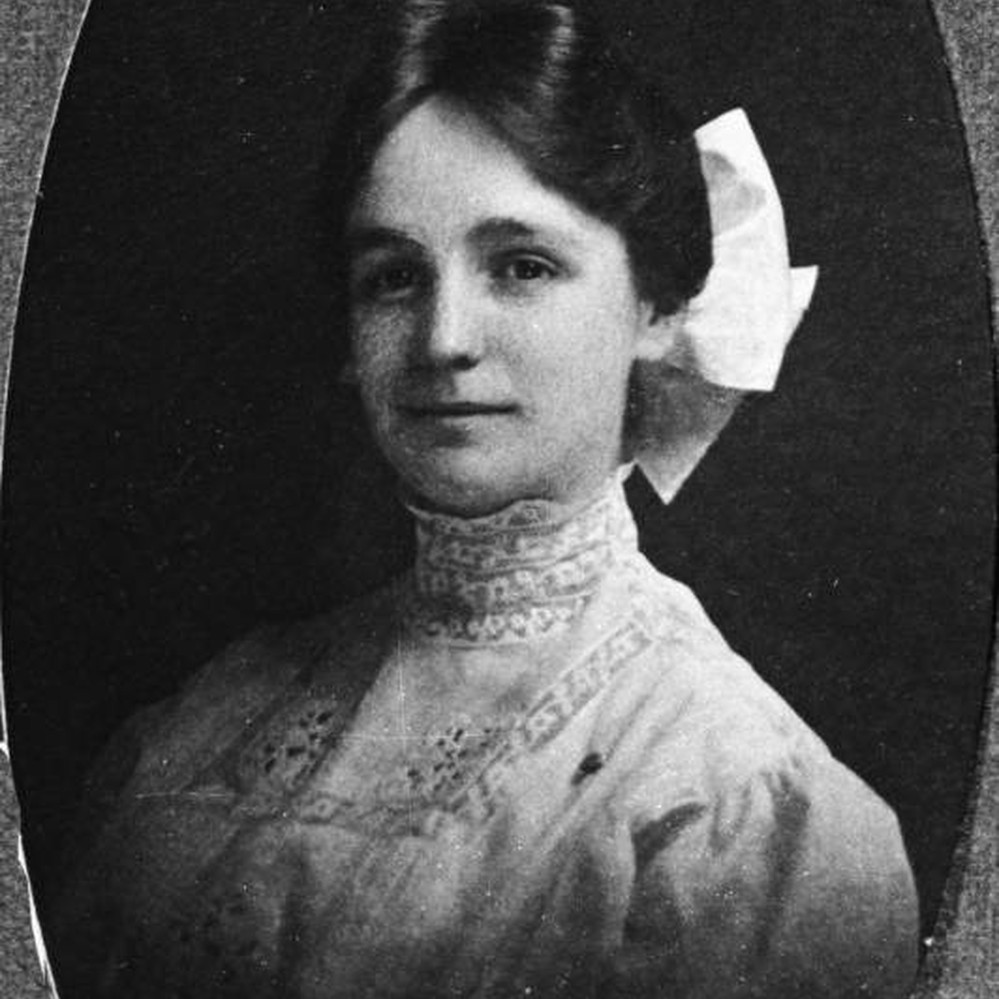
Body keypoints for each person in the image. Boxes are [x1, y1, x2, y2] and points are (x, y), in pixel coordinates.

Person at [50, 1, 918, 996]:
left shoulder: (735, 805)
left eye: (522, 266)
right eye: (393, 277)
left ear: (656, 307)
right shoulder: (208, 718)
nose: (443, 338)